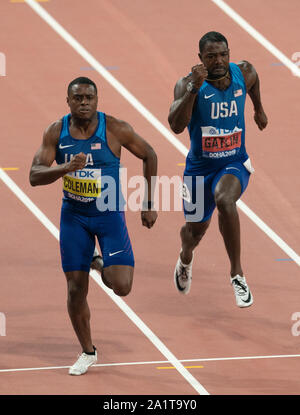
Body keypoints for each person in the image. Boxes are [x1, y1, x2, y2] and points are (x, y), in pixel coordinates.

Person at [29, 77, 158, 375]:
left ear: (97, 100)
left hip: (109, 215)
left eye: (89, 97)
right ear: (68, 101)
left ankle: (98, 265)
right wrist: (65, 167)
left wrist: (149, 202)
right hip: (74, 217)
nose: (84, 102)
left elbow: (149, 154)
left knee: (122, 286)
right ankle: (88, 351)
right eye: (78, 98)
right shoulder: (56, 132)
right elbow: (34, 175)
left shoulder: (114, 128)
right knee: (76, 290)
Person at [168, 31, 267, 307]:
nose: (219, 60)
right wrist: (192, 90)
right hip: (199, 171)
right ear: (200, 59)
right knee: (194, 232)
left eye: (223, 54)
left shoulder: (242, 72)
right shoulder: (188, 84)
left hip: (234, 162)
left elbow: (254, 77)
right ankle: (185, 257)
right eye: (211, 56)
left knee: (225, 200)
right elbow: (175, 125)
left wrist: (258, 108)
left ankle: (237, 274)